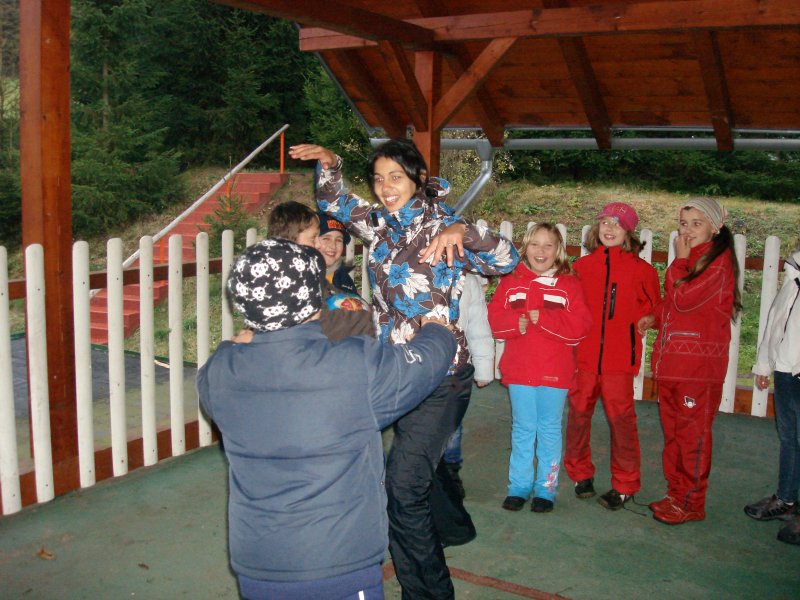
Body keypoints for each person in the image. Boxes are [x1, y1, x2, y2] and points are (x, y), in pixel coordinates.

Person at [289, 139, 519, 600]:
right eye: (378, 178)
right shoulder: (379, 224)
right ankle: (452, 524)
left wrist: (463, 230)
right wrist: (331, 163)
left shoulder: (443, 226)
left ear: (418, 179)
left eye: (395, 177)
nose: (385, 187)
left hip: (441, 376)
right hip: (394, 370)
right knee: (388, 462)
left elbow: (507, 259)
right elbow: (334, 203)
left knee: (403, 487)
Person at [197, 238, 457, 600]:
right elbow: (425, 364)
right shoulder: (352, 365)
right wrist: (437, 329)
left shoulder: (219, 371)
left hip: (257, 564)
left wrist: (242, 342)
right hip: (338, 565)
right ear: (312, 297)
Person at [639, 197, 741, 525]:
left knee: (692, 438)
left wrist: (679, 261)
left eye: (697, 224)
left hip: (697, 370)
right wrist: (654, 317)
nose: (687, 231)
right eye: (683, 224)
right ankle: (676, 493)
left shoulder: (718, 263)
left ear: (715, 228)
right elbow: (673, 302)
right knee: (674, 436)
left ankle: (691, 503)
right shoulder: (693, 259)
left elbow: (683, 298)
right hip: (674, 365)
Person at [489, 223, 592, 513]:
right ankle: (519, 487)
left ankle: (546, 488)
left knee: (548, 429)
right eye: (535, 244)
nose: (541, 251)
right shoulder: (511, 281)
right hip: (520, 370)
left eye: (549, 245)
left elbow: (581, 327)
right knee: (523, 428)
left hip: (555, 372)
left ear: (558, 250)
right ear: (525, 248)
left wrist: (544, 319)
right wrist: (515, 323)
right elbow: (494, 317)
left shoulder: (569, 284)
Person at [564, 202, 661, 510]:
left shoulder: (643, 271)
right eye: (605, 222)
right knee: (579, 414)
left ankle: (625, 483)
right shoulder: (581, 268)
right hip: (583, 358)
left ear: (629, 232)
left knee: (622, 421)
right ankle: (579, 472)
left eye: (617, 224)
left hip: (620, 360)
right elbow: (567, 306)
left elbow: (657, 308)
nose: (609, 228)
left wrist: (650, 318)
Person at [744, 247, 800, 545]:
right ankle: (787, 498)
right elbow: (774, 324)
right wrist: (765, 364)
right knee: (790, 439)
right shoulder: (792, 277)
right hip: (785, 372)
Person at [267, 200, 374, 340]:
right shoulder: (285, 282)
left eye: (339, 240)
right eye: (315, 238)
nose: (318, 244)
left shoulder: (327, 277)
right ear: (291, 241)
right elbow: (318, 323)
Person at [442, 272, 495, 499]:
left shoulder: (469, 281)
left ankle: (451, 470)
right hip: (417, 364)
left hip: (456, 366)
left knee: (453, 424)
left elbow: (478, 326)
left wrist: (484, 367)